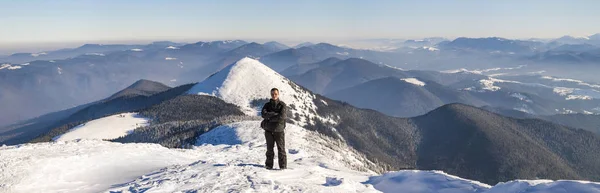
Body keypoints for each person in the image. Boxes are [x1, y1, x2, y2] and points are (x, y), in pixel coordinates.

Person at [260, 88, 287, 170]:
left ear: (278, 94)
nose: (274, 95)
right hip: (269, 130)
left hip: (279, 131)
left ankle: (283, 167)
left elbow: (282, 117)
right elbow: (263, 114)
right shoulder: (267, 105)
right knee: (269, 149)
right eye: (272, 94)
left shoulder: (282, 105)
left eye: (275, 94)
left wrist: (270, 118)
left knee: (281, 149)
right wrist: (275, 114)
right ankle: (268, 165)